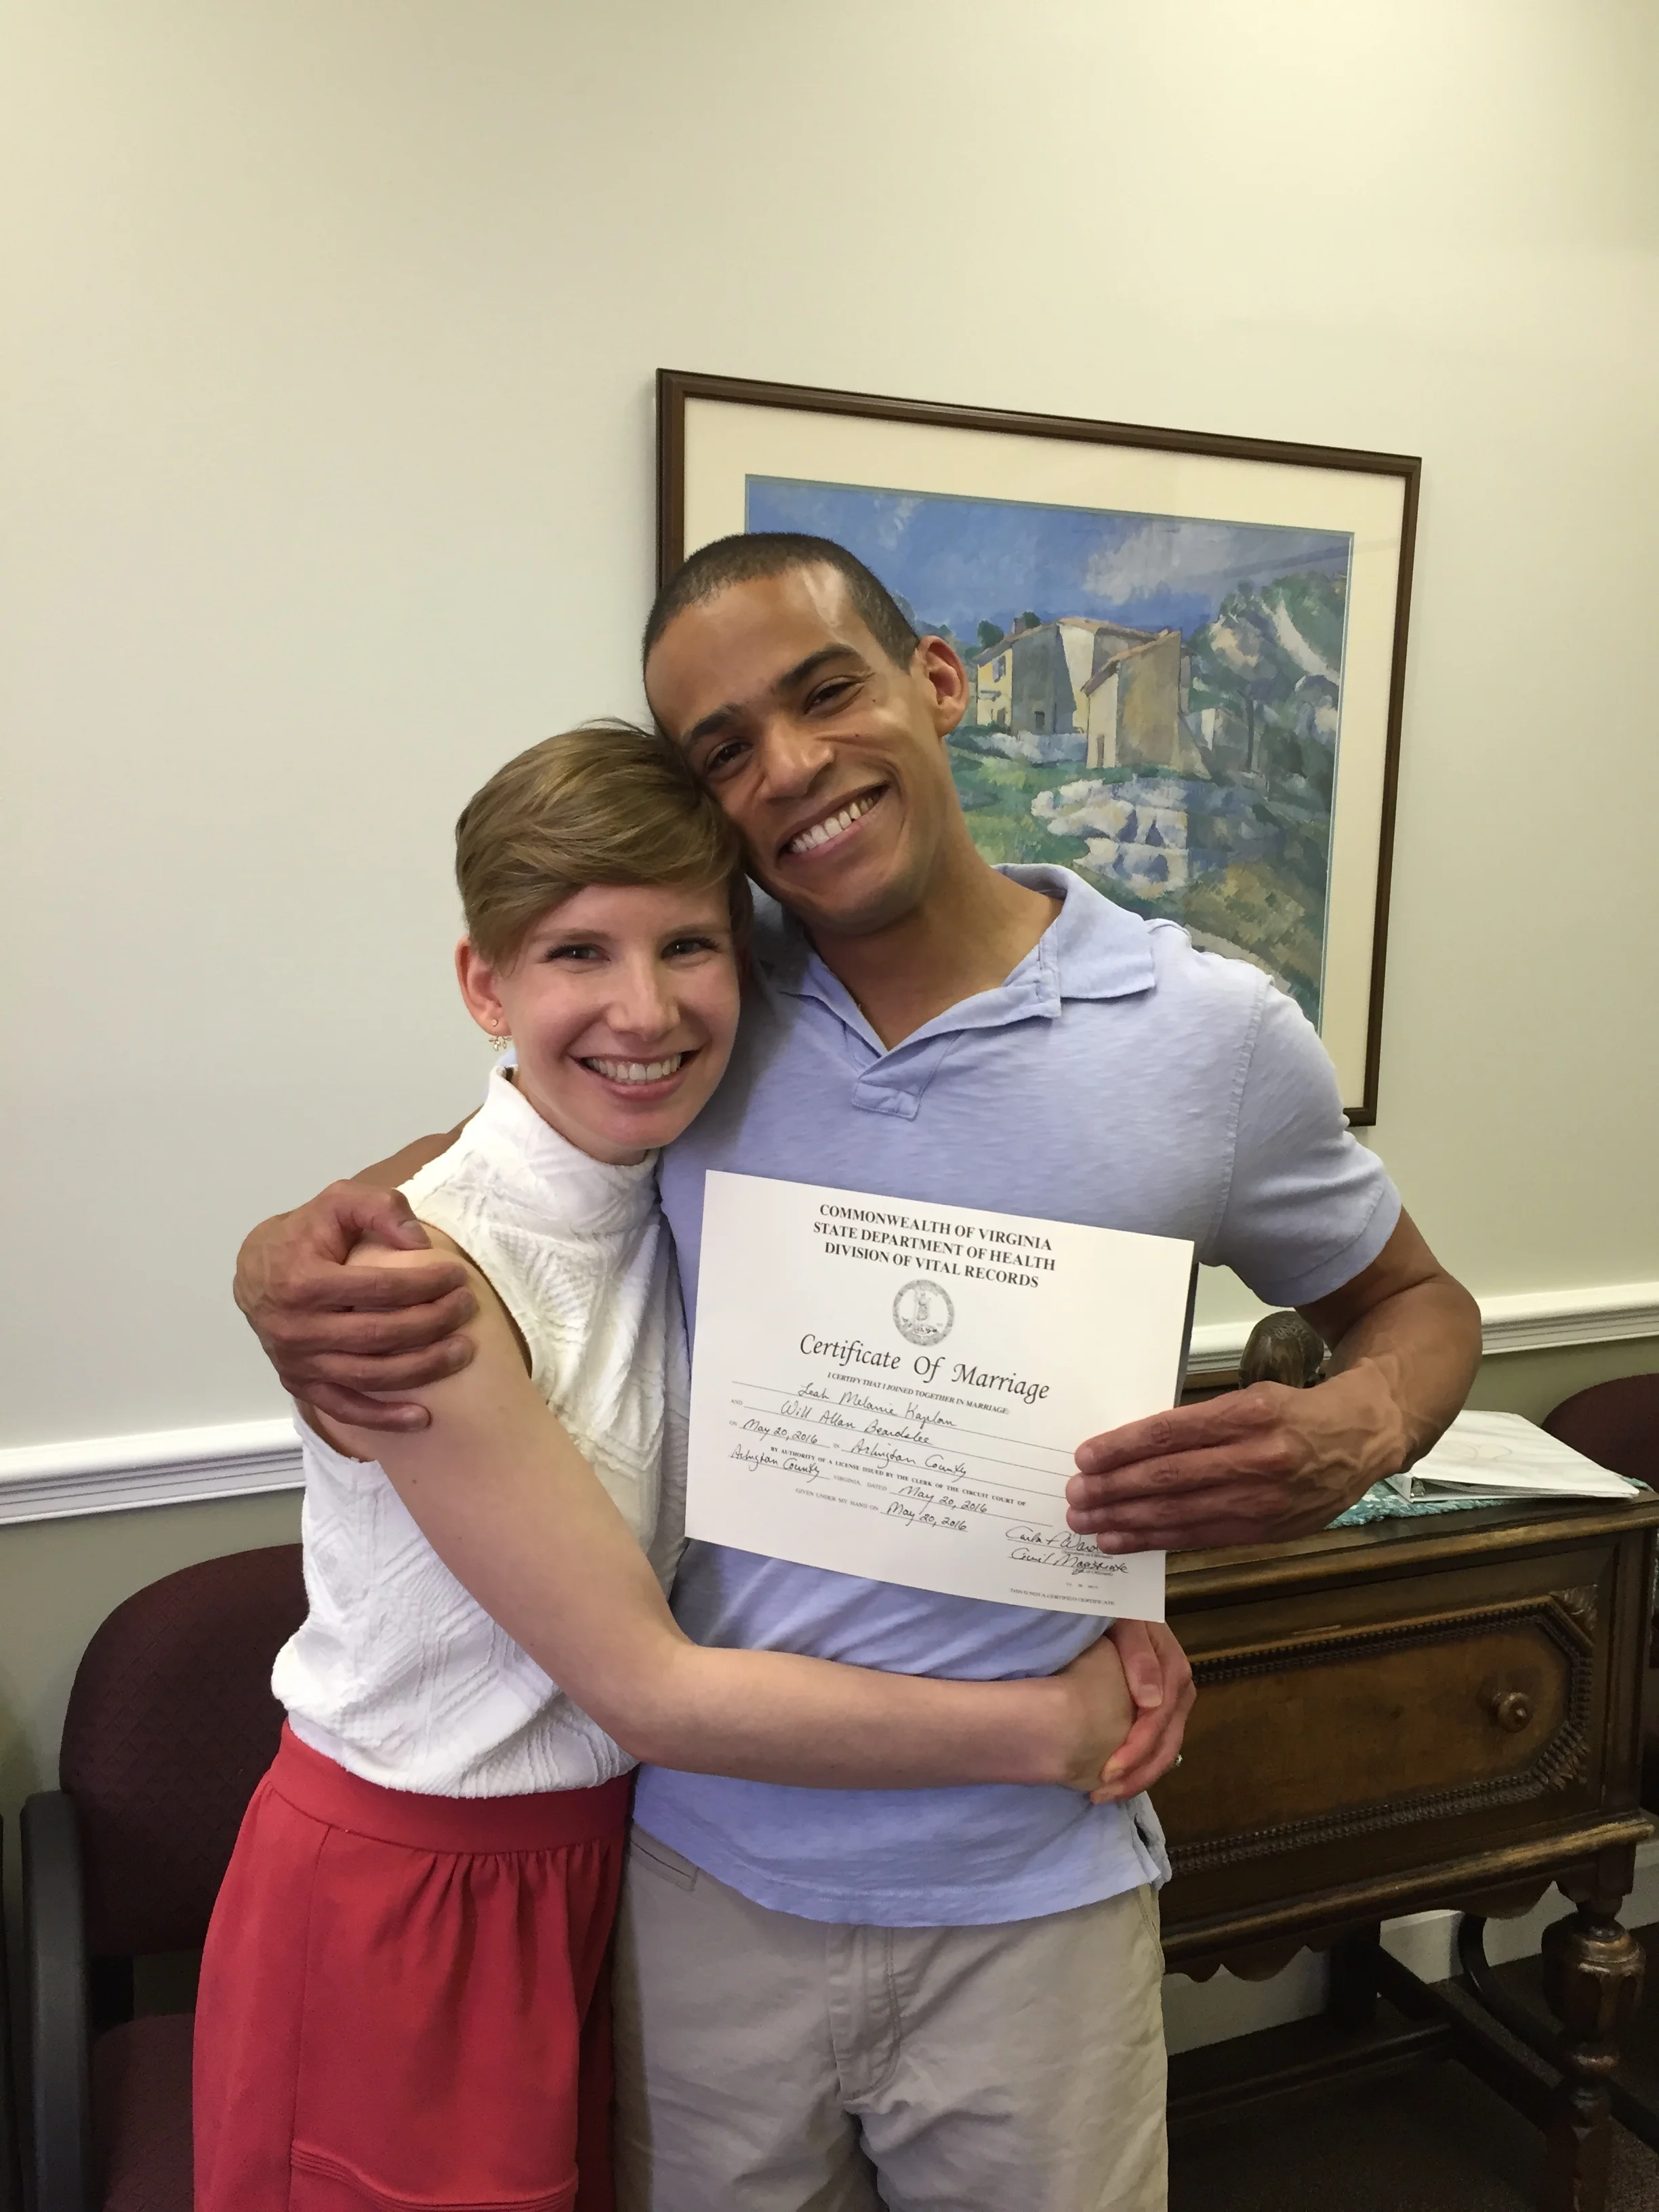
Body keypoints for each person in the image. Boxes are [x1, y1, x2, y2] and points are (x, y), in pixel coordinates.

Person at [236, 535, 1483, 2212]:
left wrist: (1363, 1421)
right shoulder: (709, 990)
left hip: (1037, 1889)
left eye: (826, 692)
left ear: (941, 684)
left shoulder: (1214, 1035)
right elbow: (498, 1159)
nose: (793, 767)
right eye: (725, 748)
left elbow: (1416, 1301)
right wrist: (280, 1258)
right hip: (698, 1877)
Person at [197, 722, 1139, 2212]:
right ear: (484, 985)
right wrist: (1051, 1726)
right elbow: (646, 1685)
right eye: (578, 953)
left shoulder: (686, 1197)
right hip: (419, 1892)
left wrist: (1092, 1596)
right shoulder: (414, 1280)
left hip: (605, 1872)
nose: (643, 1008)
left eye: (687, 946)